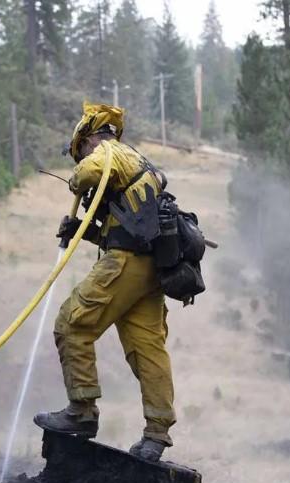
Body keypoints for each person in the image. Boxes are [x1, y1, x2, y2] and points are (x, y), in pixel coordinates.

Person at [34, 102, 176, 462]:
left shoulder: (109, 153)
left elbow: (86, 175)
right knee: (147, 350)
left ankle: (81, 411)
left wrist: (75, 177)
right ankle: (156, 435)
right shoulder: (137, 163)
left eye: (78, 150)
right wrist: (84, 233)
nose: (78, 157)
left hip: (125, 265)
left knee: (72, 324)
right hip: (148, 271)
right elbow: (126, 230)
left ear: (87, 139)